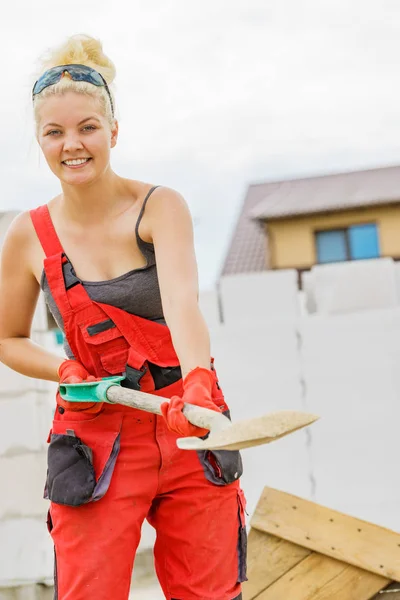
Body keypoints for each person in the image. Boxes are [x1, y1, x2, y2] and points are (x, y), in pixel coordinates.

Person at [0, 34, 246, 600]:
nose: (73, 145)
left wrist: (200, 383)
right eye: (55, 132)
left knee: (211, 592)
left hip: (186, 419)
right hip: (95, 437)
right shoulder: (26, 236)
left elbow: (183, 301)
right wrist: (65, 373)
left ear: (114, 130)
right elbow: (8, 339)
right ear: (39, 140)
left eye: (88, 127)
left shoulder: (160, 206)